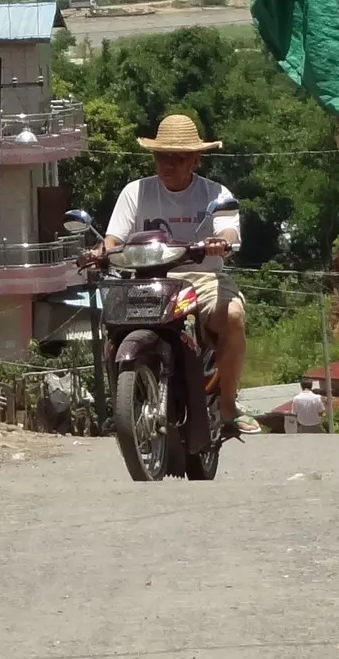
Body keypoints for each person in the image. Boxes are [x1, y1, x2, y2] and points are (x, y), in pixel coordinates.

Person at [100, 112, 252, 437]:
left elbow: (229, 233)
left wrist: (220, 244)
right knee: (109, 330)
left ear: (196, 161)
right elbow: (113, 239)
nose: (167, 164)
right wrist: (101, 250)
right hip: (144, 280)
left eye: (177, 157)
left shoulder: (216, 194)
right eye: (161, 156)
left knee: (235, 316)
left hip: (202, 279)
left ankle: (228, 406)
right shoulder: (134, 192)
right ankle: (122, 405)